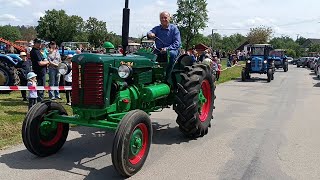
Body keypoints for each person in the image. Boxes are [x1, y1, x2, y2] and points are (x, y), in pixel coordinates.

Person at [147, 11, 181, 76]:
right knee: (149, 56)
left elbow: (177, 43)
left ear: (169, 18)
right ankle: (152, 75)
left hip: (171, 50)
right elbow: (149, 32)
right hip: (158, 50)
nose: (163, 19)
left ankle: (168, 75)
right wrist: (150, 34)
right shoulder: (157, 28)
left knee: (172, 54)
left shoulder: (174, 29)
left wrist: (167, 49)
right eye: (161, 18)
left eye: (165, 17)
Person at [30, 38, 50, 102]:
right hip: (40, 72)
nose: (40, 44)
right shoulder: (35, 51)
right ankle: (40, 103)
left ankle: (39, 101)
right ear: (35, 43)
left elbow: (44, 59)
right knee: (41, 89)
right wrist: (47, 62)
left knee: (41, 88)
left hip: (41, 72)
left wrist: (46, 61)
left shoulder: (38, 51)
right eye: (38, 43)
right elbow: (40, 63)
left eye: (40, 43)